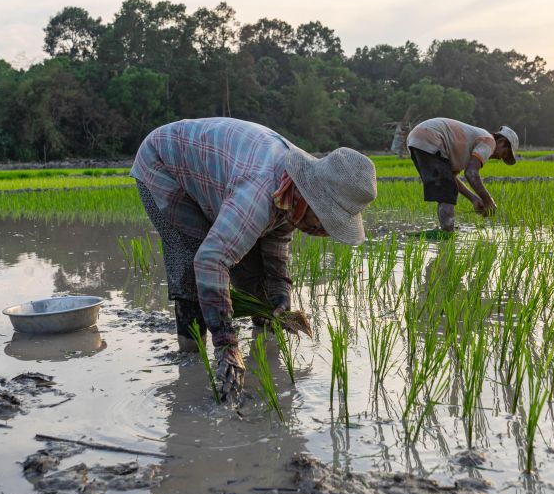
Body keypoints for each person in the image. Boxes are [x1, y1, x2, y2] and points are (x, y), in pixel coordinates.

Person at [130, 118, 377, 400]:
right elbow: (211, 261)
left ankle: (265, 359)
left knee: (255, 279)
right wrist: (226, 344)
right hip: (164, 165)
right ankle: (191, 363)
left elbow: (276, 239)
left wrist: (280, 295)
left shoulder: (292, 189)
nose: (323, 232)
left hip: (222, 173)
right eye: (325, 221)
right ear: (310, 199)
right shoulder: (260, 189)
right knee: (192, 260)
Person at [406, 118, 519, 231]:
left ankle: (446, 230)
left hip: (417, 139)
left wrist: (474, 199)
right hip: (431, 136)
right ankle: (447, 232)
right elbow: (471, 173)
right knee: (447, 191)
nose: (500, 158)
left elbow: (452, 177)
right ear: (502, 142)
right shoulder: (489, 141)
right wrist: (488, 201)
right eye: (504, 154)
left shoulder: (467, 148)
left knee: (447, 186)